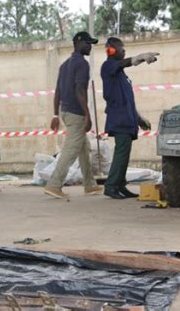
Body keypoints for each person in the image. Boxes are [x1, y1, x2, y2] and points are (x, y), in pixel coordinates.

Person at [45, 31, 103, 199]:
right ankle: (54, 185)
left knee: (84, 148)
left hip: (65, 111)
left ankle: (90, 184)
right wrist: (87, 114)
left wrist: (56, 115)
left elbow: (58, 92)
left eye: (91, 44)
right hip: (76, 113)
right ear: (78, 43)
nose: (90, 47)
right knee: (71, 150)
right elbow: (79, 90)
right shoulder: (82, 64)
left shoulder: (65, 65)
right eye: (87, 43)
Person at [100, 37, 158, 199]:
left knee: (124, 154)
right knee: (121, 153)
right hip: (119, 120)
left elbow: (127, 100)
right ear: (112, 51)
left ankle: (120, 185)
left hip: (127, 119)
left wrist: (139, 118)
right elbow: (122, 63)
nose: (124, 51)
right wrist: (139, 57)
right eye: (121, 49)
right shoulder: (108, 67)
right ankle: (111, 186)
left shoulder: (121, 75)